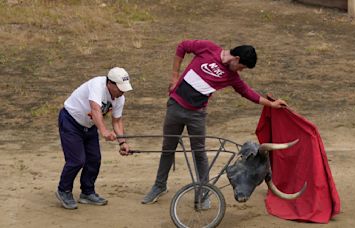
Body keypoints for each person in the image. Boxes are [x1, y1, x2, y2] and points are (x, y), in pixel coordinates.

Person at [142, 40, 287, 205]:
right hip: (175, 106)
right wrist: (175, 76)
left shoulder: (232, 76)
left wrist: (271, 104)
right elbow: (182, 46)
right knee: (168, 148)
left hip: (197, 115)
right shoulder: (208, 48)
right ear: (236, 58)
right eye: (242, 67)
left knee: (199, 153)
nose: (241, 71)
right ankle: (159, 186)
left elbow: (246, 92)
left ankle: (203, 192)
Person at [56, 67, 133, 209]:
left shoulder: (120, 98)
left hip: (90, 126)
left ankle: (87, 192)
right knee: (77, 160)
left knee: (94, 159)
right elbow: (95, 109)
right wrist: (104, 131)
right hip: (70, 121)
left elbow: (117, 121)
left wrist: (122, 142)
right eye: (120, 88)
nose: (122, 92)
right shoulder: (97, 85)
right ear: (110, 83)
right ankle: (63, 190)